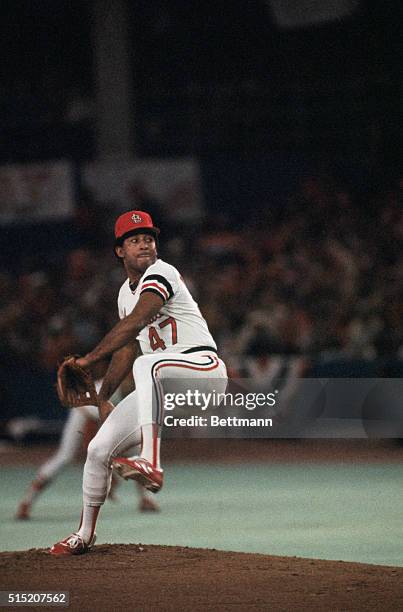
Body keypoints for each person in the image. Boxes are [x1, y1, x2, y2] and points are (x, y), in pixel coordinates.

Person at [50, 210, 227, 555]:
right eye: (134, 240)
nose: (144, 243)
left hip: (203, 371)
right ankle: (84, 533)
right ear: (120, 251)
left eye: (148, 238)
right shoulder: (123, 294)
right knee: (99, 449)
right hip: (164, 386)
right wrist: (102, 396)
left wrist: (86, 361)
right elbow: (128, 346)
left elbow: (138, 321)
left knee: (149, 364)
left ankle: (151, 460)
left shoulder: (163, 272)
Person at [15, 402, 159, 520]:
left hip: (107, 416)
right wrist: (108, 471)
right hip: (84, 413)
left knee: (139, 448)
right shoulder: (108, 389)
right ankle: (27, 502)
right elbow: (91, 444)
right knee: (65, 456)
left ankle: (146, 498)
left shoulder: (135, 391)